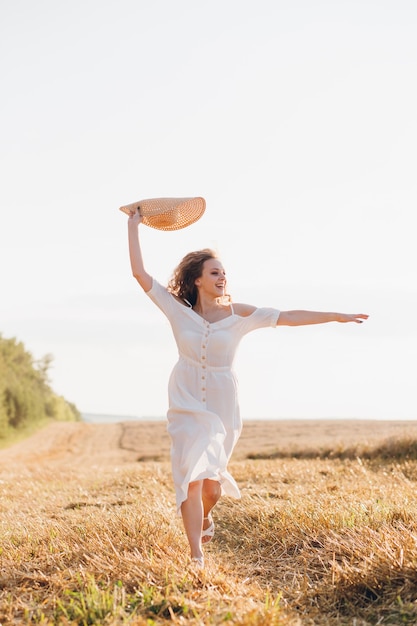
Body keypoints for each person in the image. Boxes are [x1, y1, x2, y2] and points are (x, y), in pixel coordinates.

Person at [127, 209, 368, 569]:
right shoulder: (177, 310)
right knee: (191, 478)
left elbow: (287, 316)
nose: (222, 277)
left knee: (211, 488)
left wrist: (334, 315)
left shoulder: (239, 314)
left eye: (224, 272)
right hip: (186, 398)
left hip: (224, 402)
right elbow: (140, 274)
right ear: (197, 280)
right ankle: (196, 556)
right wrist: (134, 226)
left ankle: (206, 516)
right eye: (214, 272)